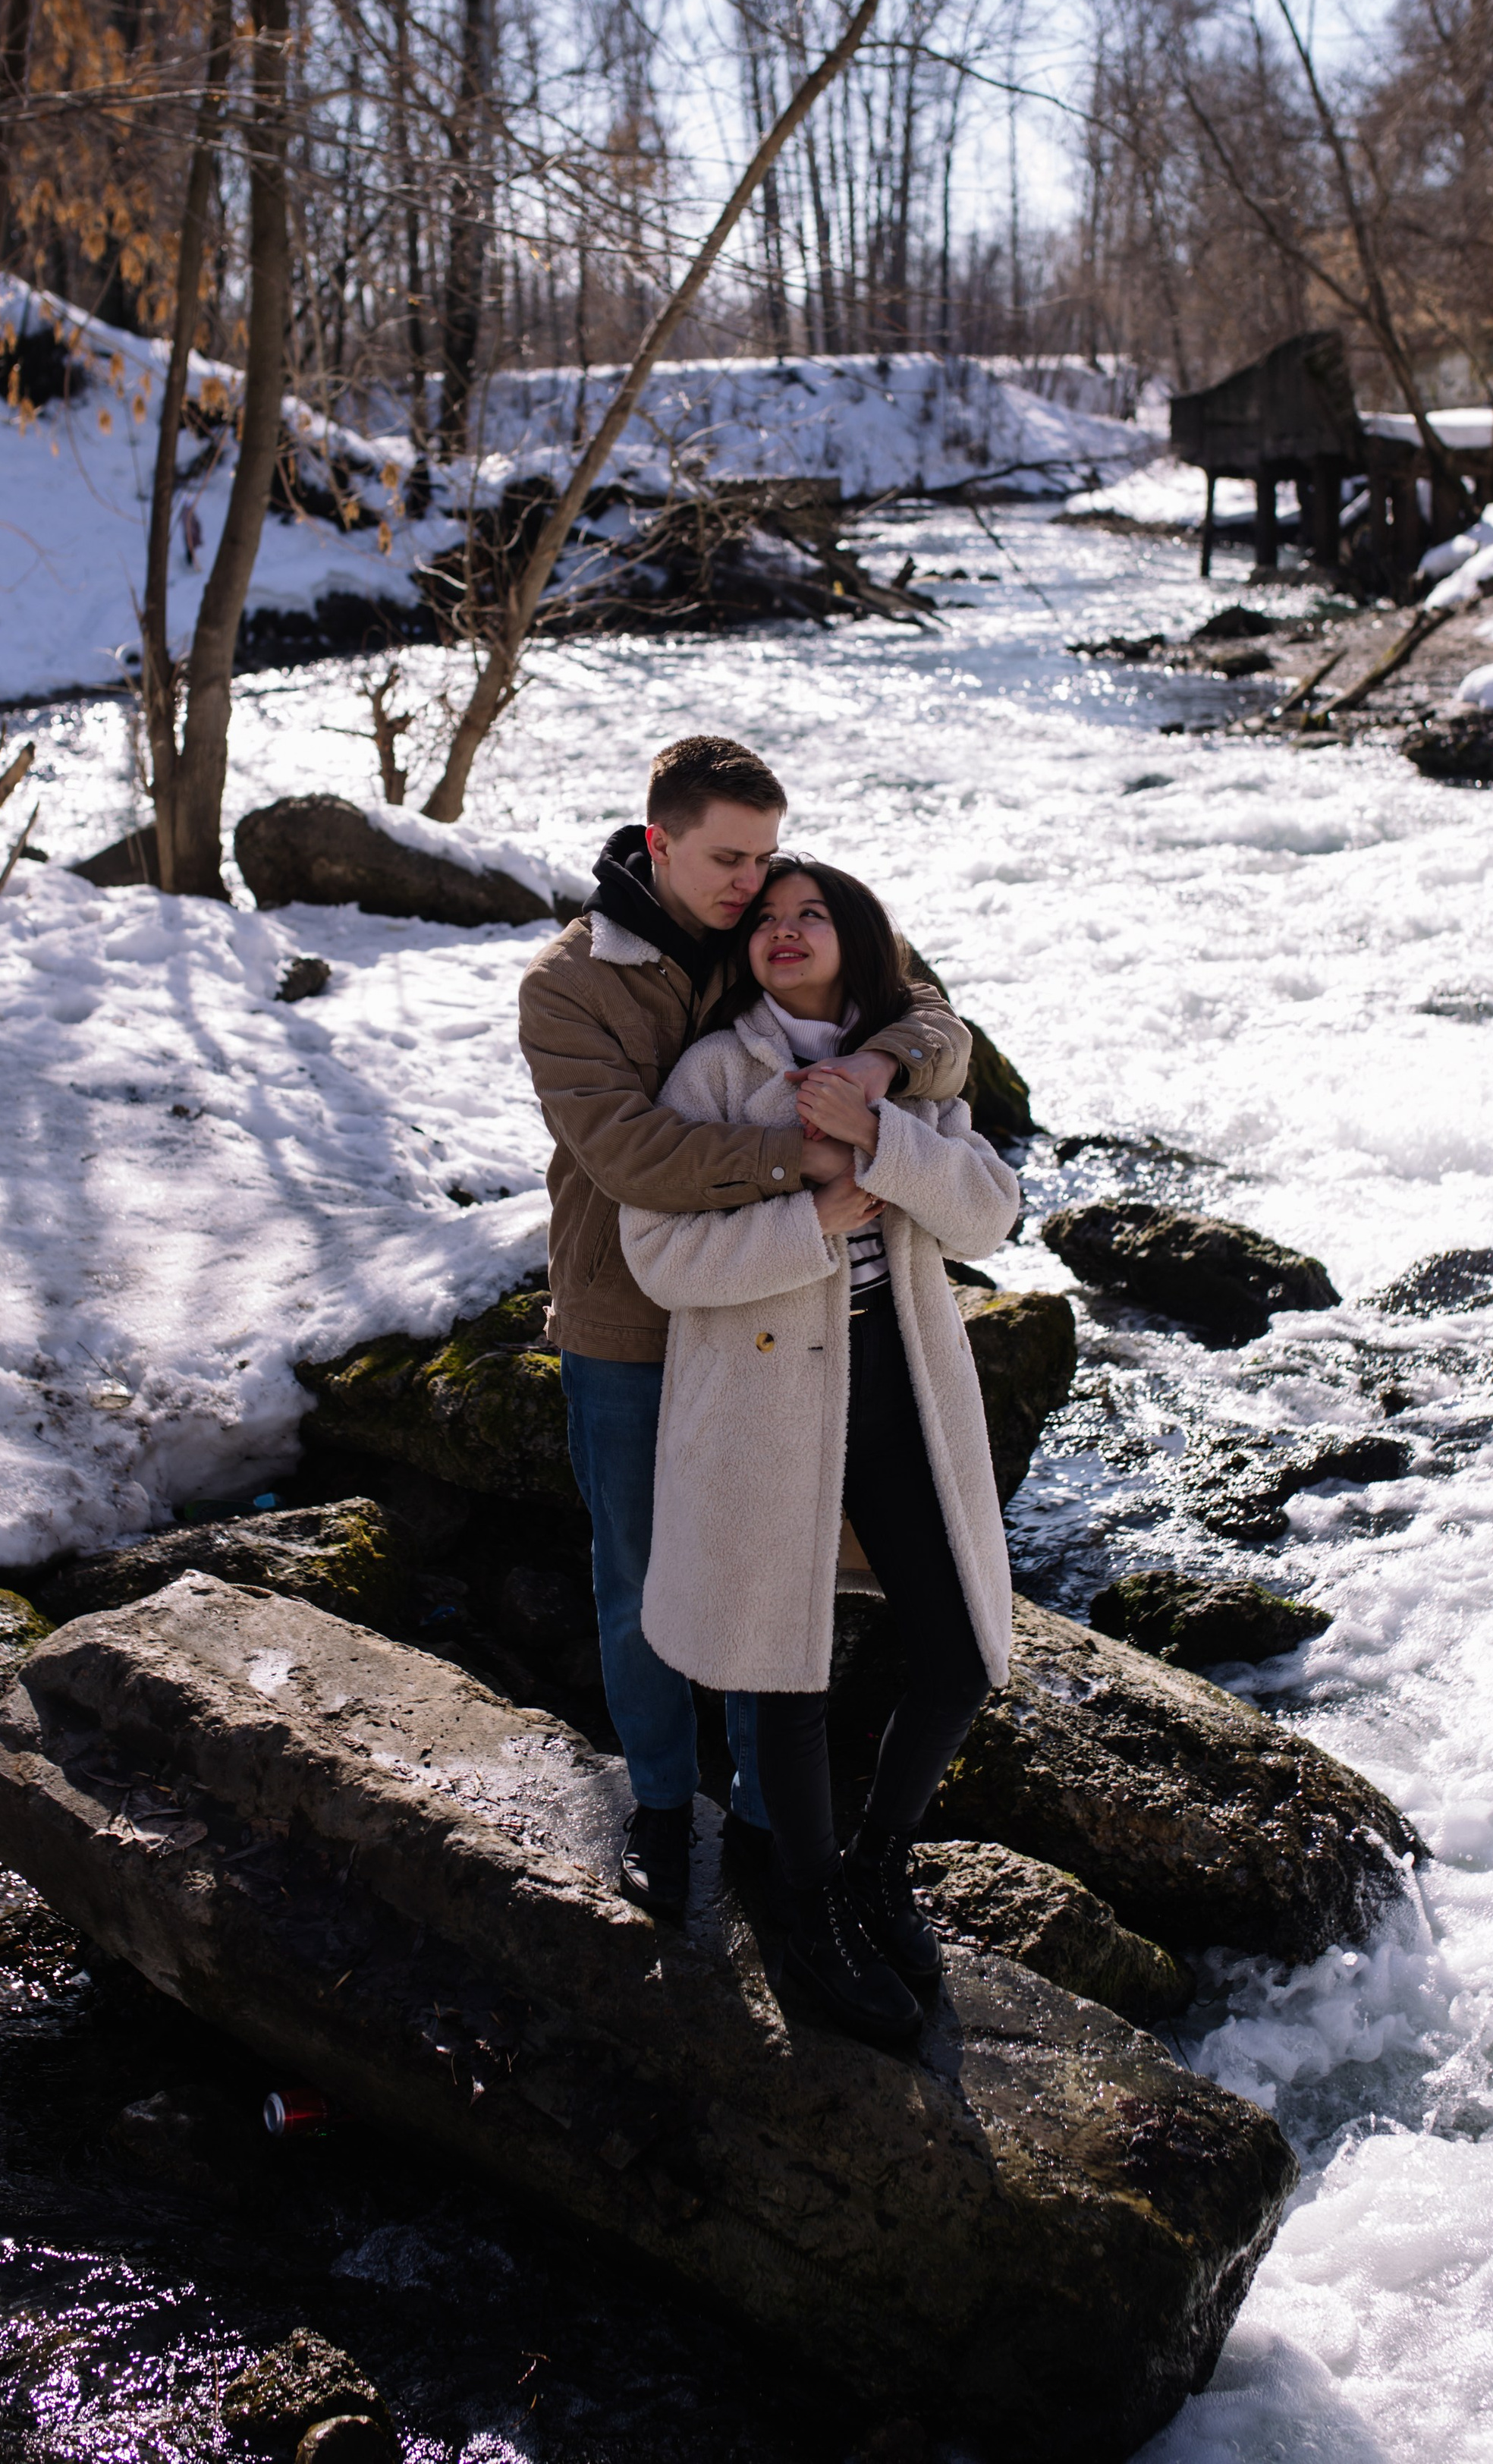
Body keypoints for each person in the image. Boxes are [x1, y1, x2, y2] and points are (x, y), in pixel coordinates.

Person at [517, 741, 970, 1921]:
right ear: (657, 842)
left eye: (766, 856)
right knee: (639, 1578)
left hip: (779, 1312)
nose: (750, 881)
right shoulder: (568, 986)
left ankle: (777, 1830)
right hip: (630, 1315)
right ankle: (665, 1809)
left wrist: (876, 1060)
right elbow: (631, 1156)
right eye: (728, 857)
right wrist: (810, 1154)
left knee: (780, 1572)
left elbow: (935, 1018)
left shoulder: (768, 924)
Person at [618, 855, 1019, 2049]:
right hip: (758, 1402)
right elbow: (662, 1260)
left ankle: (877, 1861)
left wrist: (882, 1136)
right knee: (780, 1668)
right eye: (770, 919)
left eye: (814, 916)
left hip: (898, 1381)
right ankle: (804, 1906)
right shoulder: (712, 1073)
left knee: (958, 1652)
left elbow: (989, 1213)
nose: (788, 932)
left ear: (853, 939)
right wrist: (812, 1221)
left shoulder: (895, 1064)